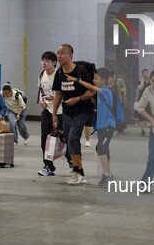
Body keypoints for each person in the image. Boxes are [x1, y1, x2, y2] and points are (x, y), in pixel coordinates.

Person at [52, 44, 95, 185]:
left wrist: (77, 99)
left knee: (72, 138)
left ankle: (80, 173)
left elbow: (92, 91)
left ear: (71, 55)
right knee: (70, 143)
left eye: (62, 53)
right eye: (58, 53)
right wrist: (54, 113)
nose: (59, 56)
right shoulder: (59, 73)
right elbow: (58, 93)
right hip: (67, 112)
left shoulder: (81, 71)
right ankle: (78, 171)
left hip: (82, 110)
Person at [66, 68, 116, 186]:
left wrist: (75, 79)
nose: (94, 80)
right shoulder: (100, 93)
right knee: (104, 149)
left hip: (108, 125)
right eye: (93, 78)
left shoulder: (106, 91)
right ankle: (108, 173)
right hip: (102, 126)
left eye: (96, 78)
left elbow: (91, 87)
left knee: (101, 148)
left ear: (103, 80)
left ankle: (106, 175)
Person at [37, 51, 71, 176]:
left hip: (61, 112)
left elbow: (67, 94)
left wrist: (56, 98)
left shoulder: (60, 75)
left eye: (47, 61)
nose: (44, 63)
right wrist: (41, 99)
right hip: (47, 111)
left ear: (54, 63)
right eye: (42, 60)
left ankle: (73, 163)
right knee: (44, 140)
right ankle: (48, 166)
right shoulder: (41, 74)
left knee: (64, 140)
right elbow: (41, 89)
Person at [134, 69, 151, 136]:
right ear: (142, 74)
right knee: (141, 116)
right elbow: (140, 88)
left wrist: (149, 80)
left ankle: (150, 128)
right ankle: (142, 130)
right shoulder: (140, 81)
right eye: (144, 73)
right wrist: (143, 81)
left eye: (147, 73)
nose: (146, 74)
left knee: (149, 113)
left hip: (150, 100)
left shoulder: (151, 81)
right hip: (142, 99)